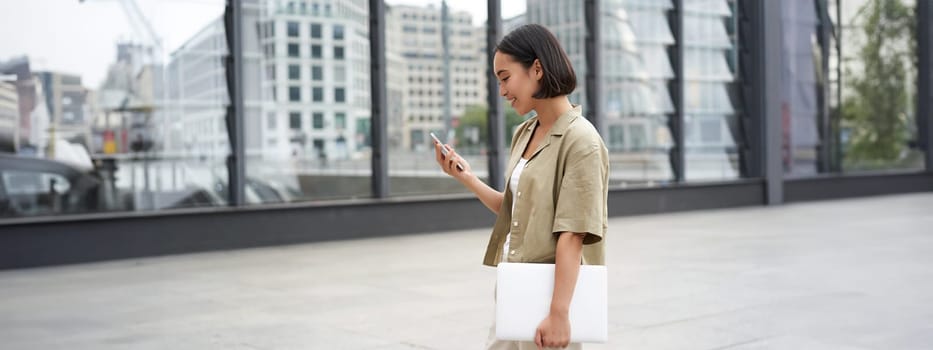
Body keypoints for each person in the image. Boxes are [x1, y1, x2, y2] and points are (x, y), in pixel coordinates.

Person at [433, 24, 609, 350]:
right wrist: (466, 177)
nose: (501, 90)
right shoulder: (524, 133)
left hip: (551, 294)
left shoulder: (582, 141)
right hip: (514, 284)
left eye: (505, 77)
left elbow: (573, 233)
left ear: (537, 69)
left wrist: (558, 313)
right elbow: (514, 210)